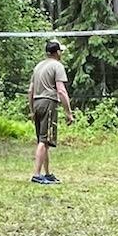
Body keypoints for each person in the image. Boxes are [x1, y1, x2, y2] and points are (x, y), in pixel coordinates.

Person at [28, 39, 72, 185]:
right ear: (57, 52)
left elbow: (30, 90)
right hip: (48, 103)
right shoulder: (57, 66)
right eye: (61, 51)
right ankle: (36, 175)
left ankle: (47, 174)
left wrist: (31, 110)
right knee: (43, 140)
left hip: (37, 102)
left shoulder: (38, 66)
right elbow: (61, 90)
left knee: (44, 140)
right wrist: (68, 112)